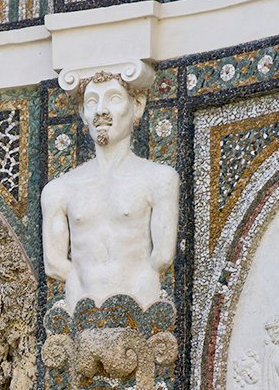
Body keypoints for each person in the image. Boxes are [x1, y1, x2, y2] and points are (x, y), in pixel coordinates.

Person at [41, 69, 179, 310]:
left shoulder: (159, 179)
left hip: (141, 305)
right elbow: (53, 263)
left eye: (113, 98)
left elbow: (163, 255)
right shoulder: (59, 189)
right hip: (80, 308)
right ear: (82, 113)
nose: (100, 110)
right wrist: (81, 281)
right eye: (91, 102)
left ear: (137, 106)